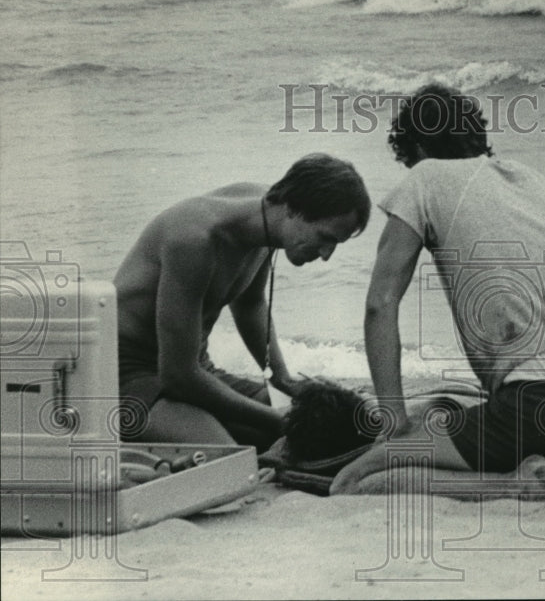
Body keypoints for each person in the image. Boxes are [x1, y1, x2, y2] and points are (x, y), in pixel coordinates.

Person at [330, 84, 545, 494]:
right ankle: (535, 460)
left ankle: (514, 483)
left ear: (417, 147)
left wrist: (394, 421)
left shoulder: (425, 178)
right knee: (487, 429)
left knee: (359, 479)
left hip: (538, 409)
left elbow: (380, 305)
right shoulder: (533, 178)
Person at [115, 153, 370, 451]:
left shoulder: (266, 215)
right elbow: (178, 376)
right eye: (325, 238)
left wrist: (283, 379)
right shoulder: (195, 240)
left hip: (195, 368)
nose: (326, 254)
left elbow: (250, 304)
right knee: (231, 460)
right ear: (293, 209)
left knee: (321, 434)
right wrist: (279, 422)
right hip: (126, 376)